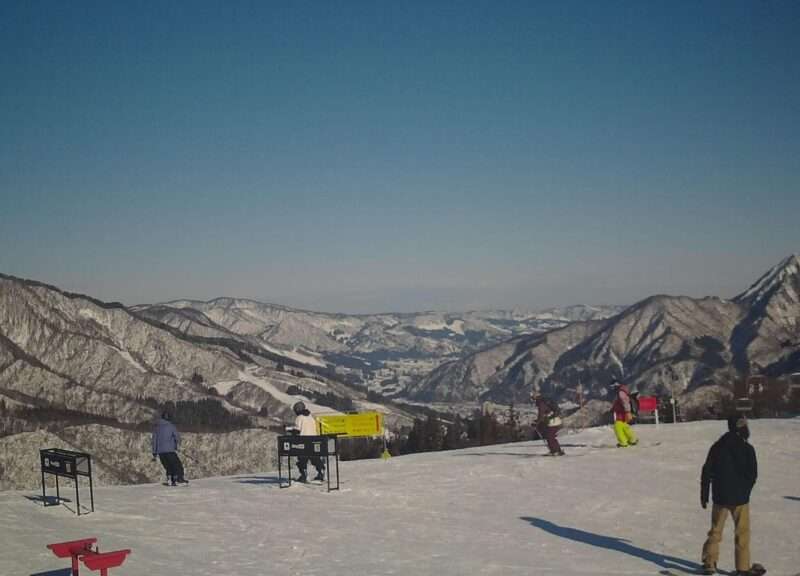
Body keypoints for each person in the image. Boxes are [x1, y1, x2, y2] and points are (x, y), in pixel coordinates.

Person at [700, 415, 763, 576]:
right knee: (742, 533)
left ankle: (709, 563)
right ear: (741, 428)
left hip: (720, 497)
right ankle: (742, 568)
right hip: (740, 499)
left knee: (715, 531)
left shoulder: (717, 446)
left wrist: (704, 493)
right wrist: (745, 490)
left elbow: (707, 470)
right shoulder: (747, 448)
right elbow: (753, 474)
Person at [291, 401, 324, 483]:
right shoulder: (311, 417)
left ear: (298, 410)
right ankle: (321, 472)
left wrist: (291, 432)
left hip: (303, 442)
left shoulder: (299, 418)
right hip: (313, 441)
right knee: (315, 459)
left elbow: (297, 431)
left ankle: (304, 475)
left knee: (302, 460)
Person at [151, 411, 187, 486]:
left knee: (168, 466)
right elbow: (178, 438)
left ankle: (170, 479)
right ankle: (179, 479)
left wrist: (154, 453)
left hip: (161, 452)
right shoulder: (171, 426)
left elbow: (154, 441)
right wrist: (177, 444)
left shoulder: (157, 428)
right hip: (170, 451)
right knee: (177, 465)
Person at [610, 379, 638, 447]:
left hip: (622, 412)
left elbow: (625, 402)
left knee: (617, 427)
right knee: (624, 425)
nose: (612, 388)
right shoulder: (623, 391)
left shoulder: (620, 392)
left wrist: (627, 412)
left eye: (612, 386)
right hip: (623, 412)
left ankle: (623, 442)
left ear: (616, 385)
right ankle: (632, 439)